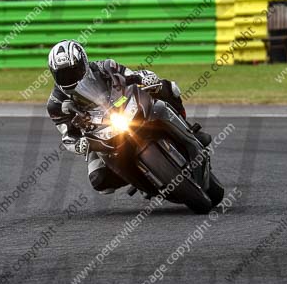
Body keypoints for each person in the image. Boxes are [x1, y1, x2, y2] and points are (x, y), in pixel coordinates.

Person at [46, 40, 212, 193]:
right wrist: (79, 145)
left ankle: (187, 128)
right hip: (95, 133)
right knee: (100, 181)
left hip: (121, 108)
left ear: (83, 63)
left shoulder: (106, 66)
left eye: (73, 70)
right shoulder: (55, 104)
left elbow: (132, 76)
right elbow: (67, 136)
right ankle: (138, 177)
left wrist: (144, 77)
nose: (70, 77)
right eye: (63, 74)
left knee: (168, 87)